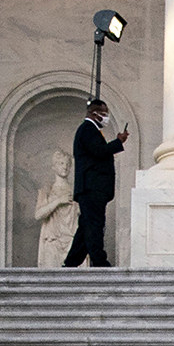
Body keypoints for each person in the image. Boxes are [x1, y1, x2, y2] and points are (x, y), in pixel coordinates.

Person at [62, 99, 128, 267]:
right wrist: (118, 142)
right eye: (104, 114)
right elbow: (99, 151)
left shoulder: (90, 130)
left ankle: (71, 263)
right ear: (94, 113)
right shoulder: (88, 129)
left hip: (92, 188)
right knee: (94, 225)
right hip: (92, 188)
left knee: (86, 226)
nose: (106, 118)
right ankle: (99, 261)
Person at [33, 151, 79, 269]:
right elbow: (38, 215)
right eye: (61, 163)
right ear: (54, 167)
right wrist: (58, 201)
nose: (65, 166)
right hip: (52, 240)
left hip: (72, 239)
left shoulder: (76, 190)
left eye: (68, 164)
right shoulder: (47, 190)